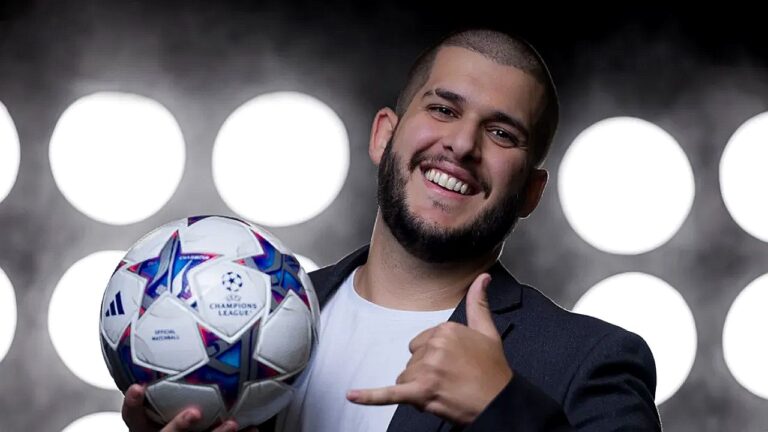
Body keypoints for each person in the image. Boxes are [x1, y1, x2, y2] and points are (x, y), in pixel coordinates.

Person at [122, 28, 662, 432]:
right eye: (444, 109)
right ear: (385, 135)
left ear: (530, 193)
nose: (463, 144)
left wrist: (501, 406)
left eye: (501, 132)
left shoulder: (590, 361)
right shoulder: (249, 319)